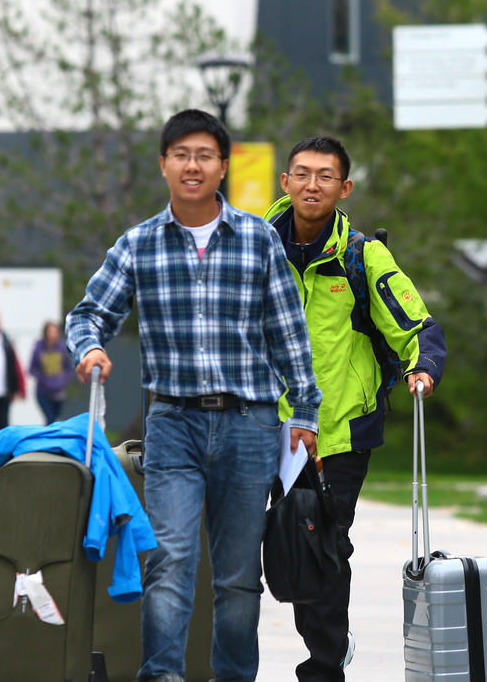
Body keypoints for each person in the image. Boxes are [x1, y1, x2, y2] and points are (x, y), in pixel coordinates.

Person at [65, 109, 321, 682]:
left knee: (235, 576)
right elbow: (88, 314)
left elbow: (289, 334)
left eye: (205, 155)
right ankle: (162, 676)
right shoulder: (138, 244)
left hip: (249, 426)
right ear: (163, 165)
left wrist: (304, 411)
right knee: (170, 561)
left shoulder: (257, 240)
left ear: (223, 167)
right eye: (181, 154)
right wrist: (89, 349)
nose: (193, 165)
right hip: (173, 424)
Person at [261, 136, 447, 682]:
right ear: (285, 183)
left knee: (317, 546)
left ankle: (323, 664)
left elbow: (417, 325)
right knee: (267, 551)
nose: (311, 184)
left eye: (325, 176)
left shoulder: (362, 255)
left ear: (344, 188)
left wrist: (424, 367)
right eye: (302, 174)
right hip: (259, 427)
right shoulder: (253, 248)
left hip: (339, 433)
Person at [28, 320, 74, 424]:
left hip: (59, 392)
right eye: (51, 332)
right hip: (43, 391)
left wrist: (62, 382)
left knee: (56, 420)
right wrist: (43, 379)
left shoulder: (62, 347)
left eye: (55, 332)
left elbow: (68, 368)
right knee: (50, 418)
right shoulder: (38, 347)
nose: (53, 335)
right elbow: (32, 368)